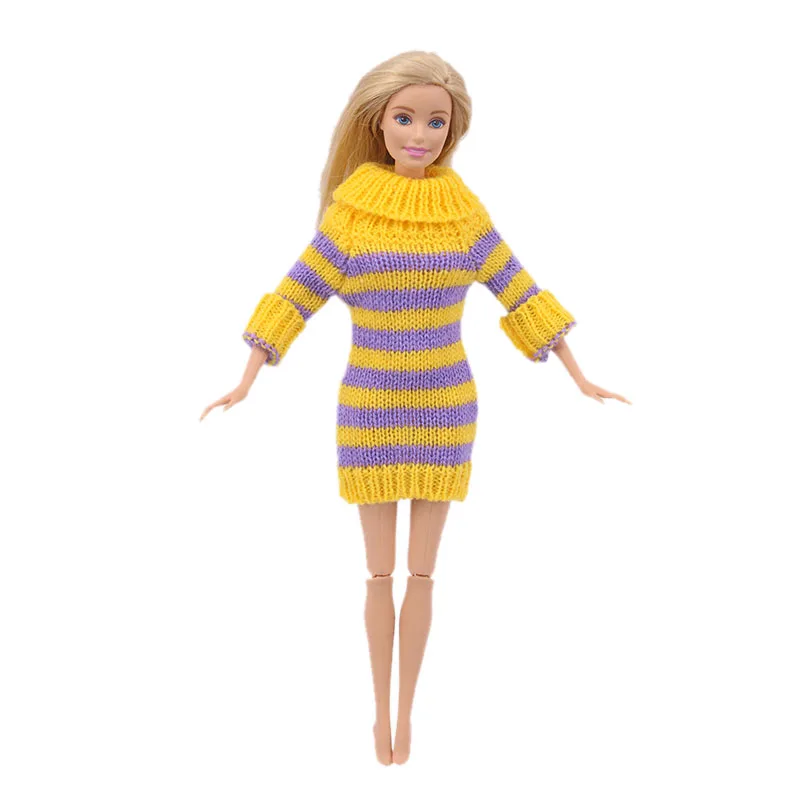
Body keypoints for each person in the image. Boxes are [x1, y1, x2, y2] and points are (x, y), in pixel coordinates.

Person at [200, 50, 631, 765]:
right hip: (369, 407)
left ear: (453, 130)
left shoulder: (464, 217)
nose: (420, 134)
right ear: (378, 122)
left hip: (446, 407)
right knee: (379, 574)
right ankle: (379, 716)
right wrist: (247, 376)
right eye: (406, 118)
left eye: (436, 122)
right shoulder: (350, 218)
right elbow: (294, 296)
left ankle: (407, 715)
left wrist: (579, 374)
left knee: (423, 574)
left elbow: (520, 290)